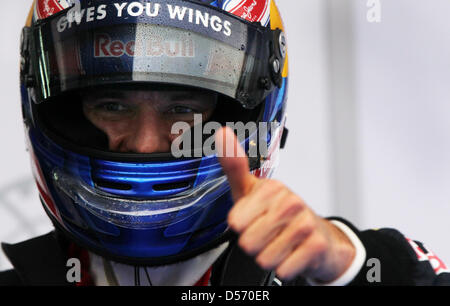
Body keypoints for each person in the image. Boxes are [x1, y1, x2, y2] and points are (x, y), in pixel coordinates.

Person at [0, 0, 448, 286]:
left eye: (182, 108)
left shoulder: (306, 277)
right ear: (55, 108)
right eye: (113, 105)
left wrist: (346, 263)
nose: (144, 144)